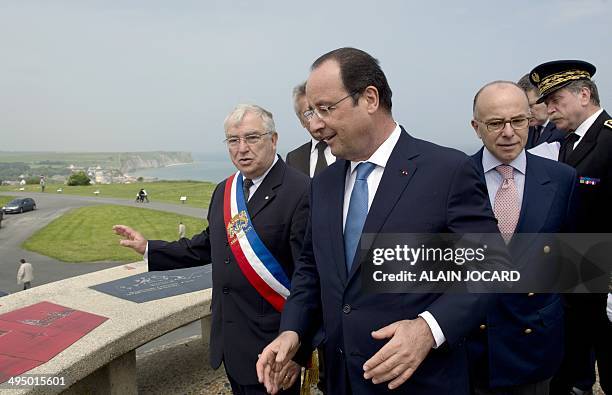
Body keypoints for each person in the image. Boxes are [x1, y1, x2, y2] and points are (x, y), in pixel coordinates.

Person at [257, 47, 508, 394]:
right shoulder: (324, 184)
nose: (315, 124)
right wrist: (292, 331)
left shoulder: (447, 171)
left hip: (421, 381)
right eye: (311, 112)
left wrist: (427, 329)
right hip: (342, 380)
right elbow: (311, 269)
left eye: (326, 109)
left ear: (370, 98)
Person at [114, 104, 310, 395]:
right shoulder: (225, 190)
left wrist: (298, 352)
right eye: (233, 140)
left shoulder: (301, 191)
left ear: (274, 139)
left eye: (252, 138)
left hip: (275, 349)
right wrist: (149, 249)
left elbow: (310, 280)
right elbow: (208, 244)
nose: (242, 148)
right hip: (230, 343)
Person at [468, 81, 577, 394]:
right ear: (476, 127)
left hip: (534, 345)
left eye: (517, 121)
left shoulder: (561, 178)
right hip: (472, 345)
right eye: (495, 123)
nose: (508, 132)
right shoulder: (454, 177)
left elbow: (572, 266)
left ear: (530, 120)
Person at [530, 60, 611, 395]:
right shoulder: (567, 143)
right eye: (546, 102)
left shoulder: (608, 140)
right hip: (575, 271)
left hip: (605, 273)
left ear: (584, 94)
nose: (549, 110)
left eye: (555, 100)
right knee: (574, 358)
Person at [286, 82, 336, 177]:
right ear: (301, 121)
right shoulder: (293, 158)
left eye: (321, 109)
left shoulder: (347, 147)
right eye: (309, 113)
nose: (318, 117)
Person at [516, 74, 565, 149]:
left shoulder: (562, 128)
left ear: (545, 100)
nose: (527, 113)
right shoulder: (524, 129)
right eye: (523, 107)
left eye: (531, 105)